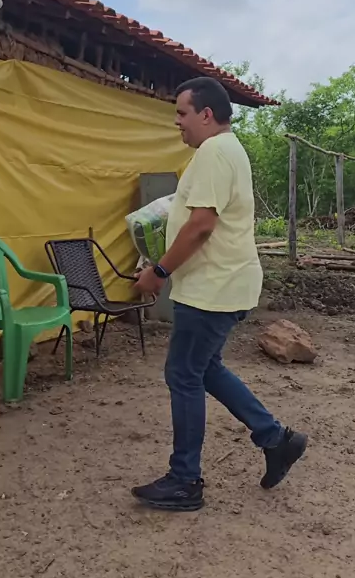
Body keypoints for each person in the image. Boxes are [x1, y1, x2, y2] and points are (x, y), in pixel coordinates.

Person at [131, 77, 307, 511]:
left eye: (182, 113)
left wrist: (160, 271)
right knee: (204, 368)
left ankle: (185, 480)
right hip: (221, 284)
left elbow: (201, 225)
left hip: (213, 288)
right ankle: (275, 438)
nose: (177, 122)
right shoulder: (227, 150)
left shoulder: (214, 152)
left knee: (183, 374)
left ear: (206, 114)